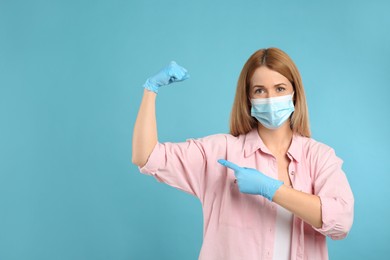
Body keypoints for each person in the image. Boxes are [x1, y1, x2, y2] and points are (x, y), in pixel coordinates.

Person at [132, 48, 354, 260]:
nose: (270, 98)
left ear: (294, 94)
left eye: (279, 89)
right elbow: (146, 156)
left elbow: (341, 221)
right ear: (248, 98)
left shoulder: (319, 157)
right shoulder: (221, 153)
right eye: (260, 90)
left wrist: (272, 189)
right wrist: (151, 89)